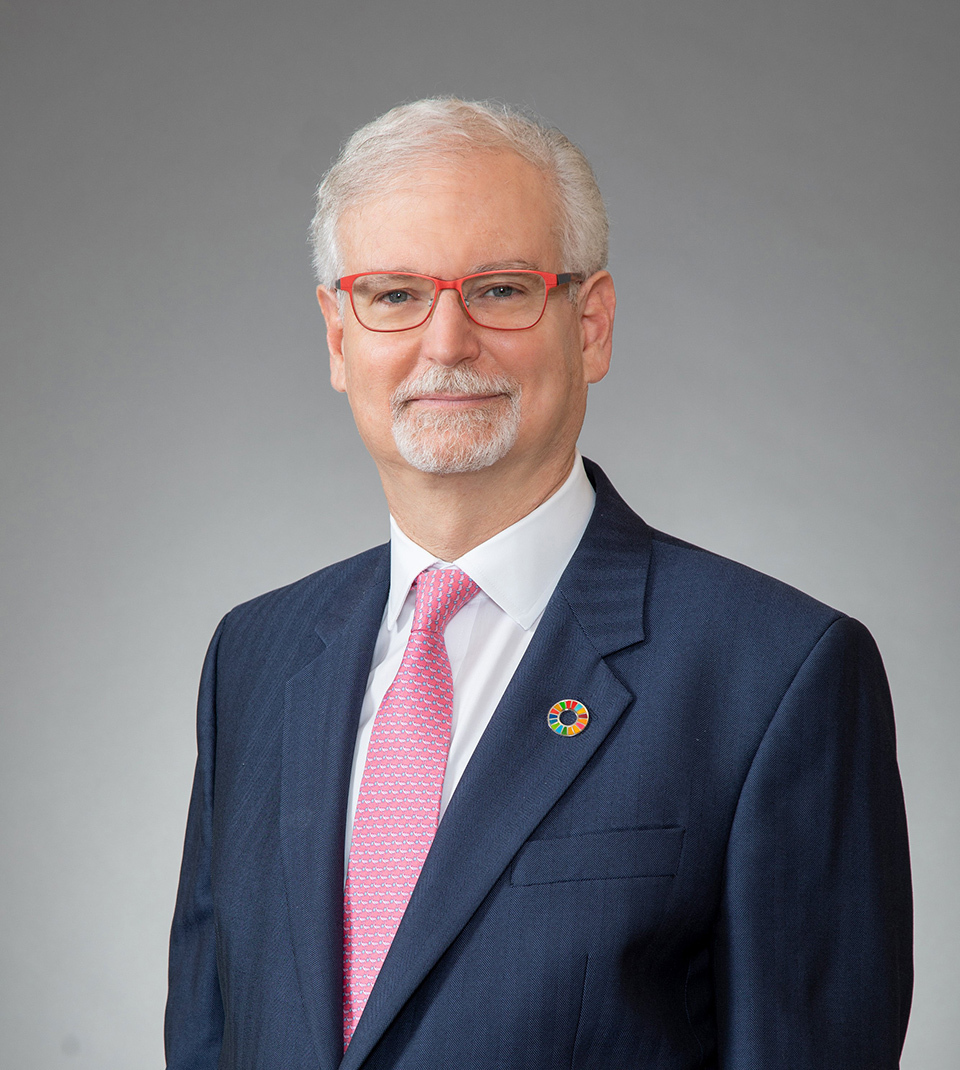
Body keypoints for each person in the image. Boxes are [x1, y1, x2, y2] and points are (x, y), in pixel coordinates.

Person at [165, 98, 912, 1070]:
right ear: (338, 336)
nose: (445, 343)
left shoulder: (774, 676)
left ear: (590, 323)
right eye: (393, 295)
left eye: (502, 289)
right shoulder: (253, 660)